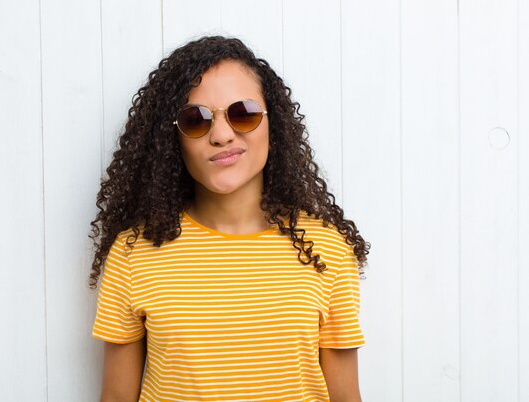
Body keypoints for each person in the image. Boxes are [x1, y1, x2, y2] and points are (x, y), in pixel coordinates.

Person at [88, 35, 370, 402]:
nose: (221, 135)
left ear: (275, 124)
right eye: (195, 120)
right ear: (171, 138)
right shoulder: (133, 253)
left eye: (243, 113)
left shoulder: (328, 248)